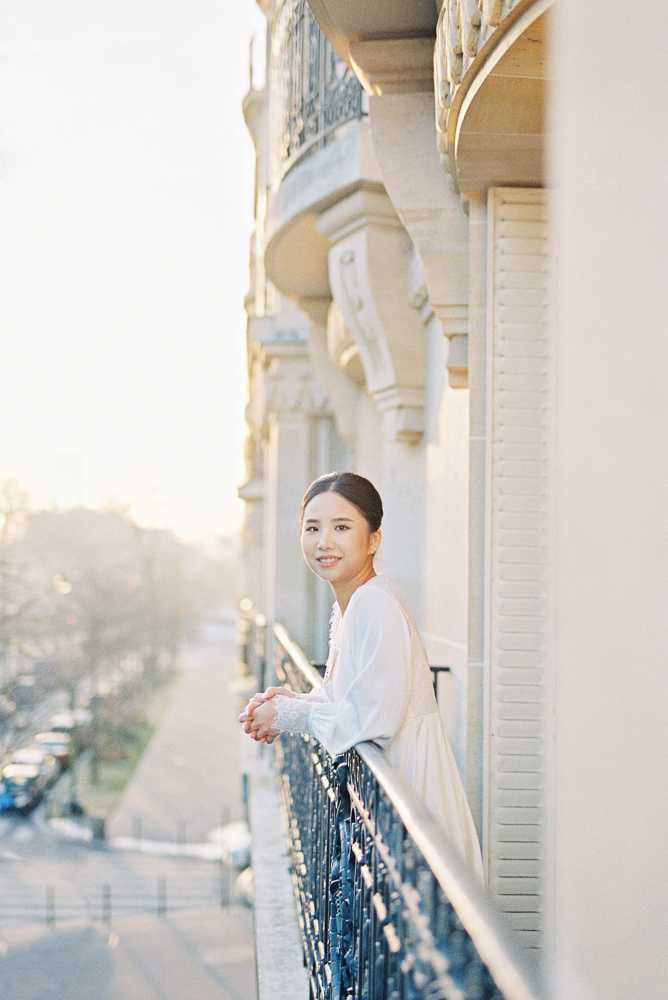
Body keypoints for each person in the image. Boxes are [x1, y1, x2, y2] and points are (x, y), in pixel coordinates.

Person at [239, 471, 484, 882]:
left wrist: (286, 716)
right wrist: (295, 702)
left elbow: (373, 720)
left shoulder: (375, 605)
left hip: (411, 796)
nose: (324, 542)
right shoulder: (354, 603)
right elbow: (352, 695)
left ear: (373, 540)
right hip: (388, 803)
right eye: (312, 528)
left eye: (341, 527)